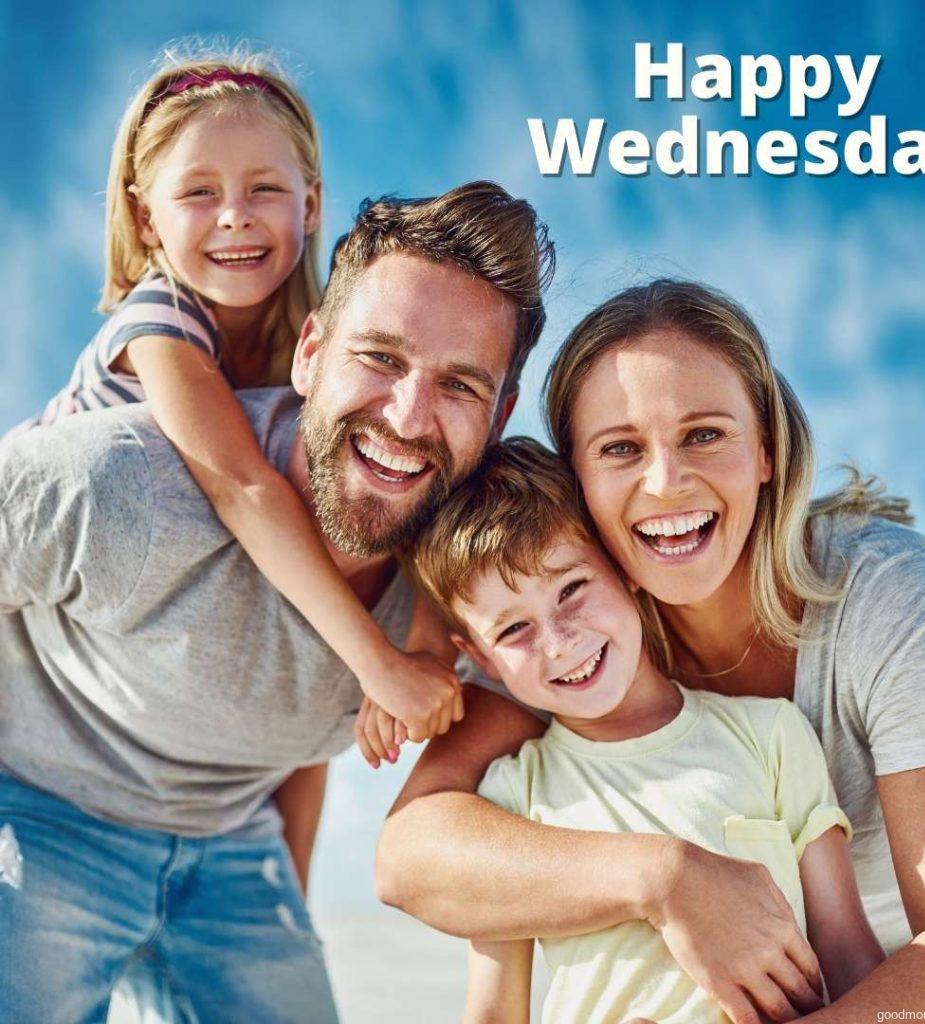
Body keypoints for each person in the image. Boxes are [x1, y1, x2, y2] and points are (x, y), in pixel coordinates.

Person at [374, 280, 925, 1022]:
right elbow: (408, 858)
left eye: (704, 434)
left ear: (768, 451)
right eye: (620, 448)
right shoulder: (565, 654)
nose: (665, 482)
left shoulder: (888, 601)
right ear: (580, 486)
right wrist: (666, 876)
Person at [0, 180, 554, 1022]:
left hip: (233, 853)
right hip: (38, 817)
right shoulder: (118, 484)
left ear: (501, 412)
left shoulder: (472, 596)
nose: (408, 417)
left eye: (460, 387)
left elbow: (291, 730)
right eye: (380, 358)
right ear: (309, 353)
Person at [13, 45, 464, 803]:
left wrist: (426, 640)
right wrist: (380, 665)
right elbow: (241, 485)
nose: (235, 215)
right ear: (142, 216)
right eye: (198, 191)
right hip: (45, 607)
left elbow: (413, 485)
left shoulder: (314, 350)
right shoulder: (158, 320)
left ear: (311, 203)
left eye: (264, 187)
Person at [407, 437, 884, 1022]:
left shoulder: (773, 736)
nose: (559, 642)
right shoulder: (509, 800)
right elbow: (494, 1013)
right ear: (479, 659)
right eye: (512, 631)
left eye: (572, 589)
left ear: (624, 568)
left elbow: (849, 956)